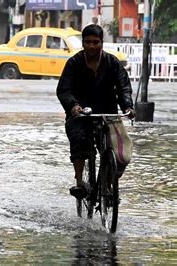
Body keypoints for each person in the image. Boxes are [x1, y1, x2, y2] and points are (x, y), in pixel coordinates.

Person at [56, 24, 135, 199]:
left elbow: (123, 88)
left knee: (121, 153)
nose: (92, 46)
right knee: (78, 140)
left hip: (108, 113)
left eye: (96, 42)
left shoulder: (112, 62)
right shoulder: (74, 63)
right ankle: (79, 182)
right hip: (80, 114)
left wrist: (128, 107)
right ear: (83, 43)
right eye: (88, 42)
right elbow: (64, 89)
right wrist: (73, 106)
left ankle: (106, 184)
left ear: (102, 43)